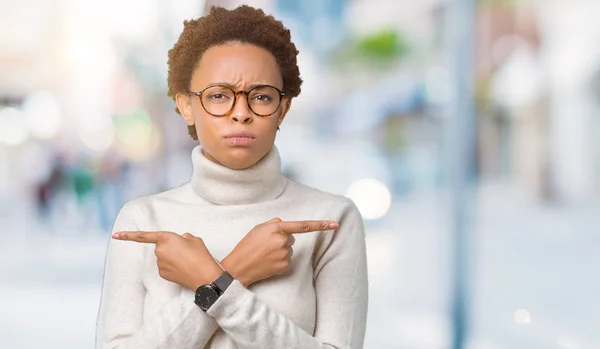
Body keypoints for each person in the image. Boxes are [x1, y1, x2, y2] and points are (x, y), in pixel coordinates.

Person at [96, 5, 368, 349]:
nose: (241, 113)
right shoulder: (141, 221)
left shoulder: (331, 220)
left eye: (262, 96)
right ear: (185, 106)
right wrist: (237, 269)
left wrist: (213, 282)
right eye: (219, 96)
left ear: (283, 108)